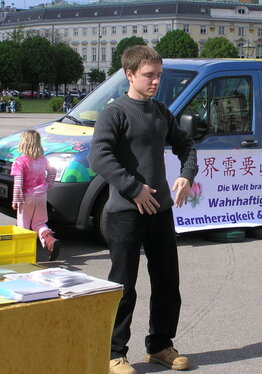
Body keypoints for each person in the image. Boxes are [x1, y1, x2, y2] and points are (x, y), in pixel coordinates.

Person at [88, 45, 198, 374]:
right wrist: (133, 188)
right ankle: (114, 352)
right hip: (124, 212)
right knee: (123, 285)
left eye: (158, 76)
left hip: (160, 211)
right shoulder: (115, 112)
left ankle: (160, 346)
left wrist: (186, 175)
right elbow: (99, 156)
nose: (155, 82)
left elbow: (186, 144)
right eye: (149, 76)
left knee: (167, 283)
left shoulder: (161, 111)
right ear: (130, 75)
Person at [10, 130, 60, 261]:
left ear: (23, 143)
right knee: (39, 223)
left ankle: (24, 254)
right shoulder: (43, 159)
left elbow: (18, 181)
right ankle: (49, 240)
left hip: (26, 197)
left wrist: (16, 200)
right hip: (41, 195)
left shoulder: (20, 161)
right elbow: (53, 170)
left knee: (23, 226)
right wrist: (48, 185)